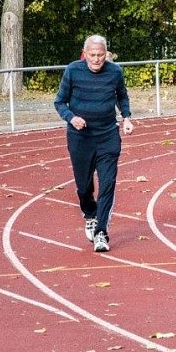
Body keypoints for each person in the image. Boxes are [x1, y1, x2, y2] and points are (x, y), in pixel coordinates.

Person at [54, 35, 134, 252]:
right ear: (85, 53)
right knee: (83, 186)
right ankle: (90, 213)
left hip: (108, 136)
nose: (97, 60)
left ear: (106, 54)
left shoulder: (115, 71)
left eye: (100, 55)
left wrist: (126, 117)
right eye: (92, 55)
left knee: (107, 184)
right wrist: (71, 117)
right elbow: (59, 102)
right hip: (80, 138)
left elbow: (122, 96)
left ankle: (101, 232)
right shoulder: (73, 70)